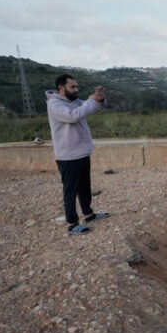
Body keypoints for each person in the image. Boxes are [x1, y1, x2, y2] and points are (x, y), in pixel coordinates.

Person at [46, 74, 109, 235]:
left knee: (84, 187)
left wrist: (99, 100)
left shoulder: (75, 102)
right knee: (70, 190)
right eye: (72, 87)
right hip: (67, 155)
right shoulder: (55, 104)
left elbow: (93, 108)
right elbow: (72, 117)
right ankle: (72, 223)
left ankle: (88, 214)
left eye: (76, 86)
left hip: (82, 152)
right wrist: (90, 101)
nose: (76, 89)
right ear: (61, 87)